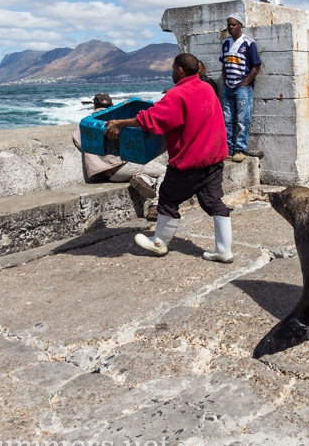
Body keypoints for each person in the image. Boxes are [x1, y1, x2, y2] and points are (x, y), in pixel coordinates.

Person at [105, 53, 234, 263]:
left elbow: (152, 119)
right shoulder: (206, 88)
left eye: (173, 69)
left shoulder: (178, 94)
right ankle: (224, 250)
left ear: (180, 70)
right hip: (213, 158)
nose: (172, 72)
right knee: (214, 203)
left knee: (167, 199)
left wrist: (120, 123)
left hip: (190, 161)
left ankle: (159, 242)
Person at [72, 92, 165, 221]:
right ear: (112, 105)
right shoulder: (117, 121)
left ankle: (143, 179)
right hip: (121, 166)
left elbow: (79, 142)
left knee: (146, 173)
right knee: (165, 172)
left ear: (94, 106)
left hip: (102, 173)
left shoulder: (86, 124)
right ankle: (155, 206)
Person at [220, 14, 262, 163]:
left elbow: (256, 66)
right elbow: (224, 64)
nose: (231, 27)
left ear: (240, 25)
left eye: (234, 24)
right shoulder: (225, 43)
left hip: (242, 87)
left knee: (243, 120)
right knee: (227, 119)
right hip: (228, 87)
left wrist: (245, 83)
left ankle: (240, 150)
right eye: (229, 24)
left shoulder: (249, 43)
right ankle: (228, 150)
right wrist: (225, 81)